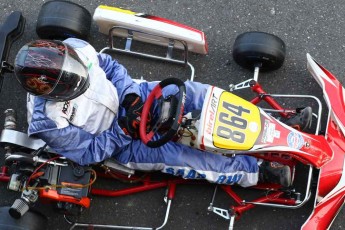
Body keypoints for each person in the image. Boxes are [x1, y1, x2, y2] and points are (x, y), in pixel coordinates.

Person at [13, 38, 309, 188]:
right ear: (49, 91)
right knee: (184, 156)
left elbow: (113, 69)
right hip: (123, 143)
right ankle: (258, 172)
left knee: (199, 95)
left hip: (135, 95)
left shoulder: (78, 49)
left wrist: (130, 97)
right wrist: (123, 130)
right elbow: (89, 153)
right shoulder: (48, 122)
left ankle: (278, 126)